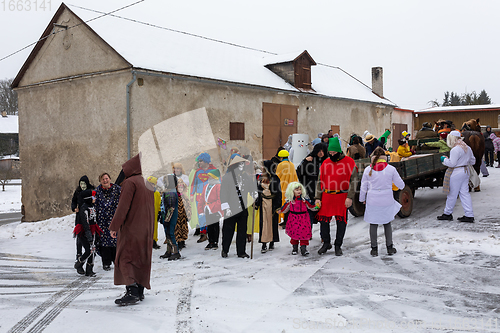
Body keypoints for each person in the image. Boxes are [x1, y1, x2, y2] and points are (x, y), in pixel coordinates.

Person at [110, 154, 154, 305]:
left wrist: (114, 226)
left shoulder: (130, 183)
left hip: (132, 228)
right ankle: (139, 290)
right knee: (141, 258)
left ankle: (132, 291)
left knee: (125, 257)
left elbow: (123, 208)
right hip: (146, 229)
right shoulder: (147, 182)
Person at [315, 137, 358, 256]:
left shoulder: (349, 162)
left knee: (341, 222)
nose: (332, 154)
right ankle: (326, 243)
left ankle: (338, 245)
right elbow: (320, 181)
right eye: (330, 152)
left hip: (342, 196)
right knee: (323, 221)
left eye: (334, 152)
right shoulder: (326, 162)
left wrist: (350, 197)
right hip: (327, 196)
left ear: (339, 151)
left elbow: (353, 181)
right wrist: (318, 197)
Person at [359, 147, 405, 256]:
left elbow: (363, 187)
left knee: (373, 224)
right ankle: (389, 247)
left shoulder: (368, 170)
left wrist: (362, 199)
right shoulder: (391, 169)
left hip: (372, 199)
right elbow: (401, 185)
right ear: (385, 157)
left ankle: (374, 249)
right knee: (387, 222)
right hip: (386, 199)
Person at [220, 156, 257, 258]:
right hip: (230, 208)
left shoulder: (247, 177)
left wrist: (254, 193)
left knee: (242, 231)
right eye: (239, 165)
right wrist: (226, 208)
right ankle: (225, 249)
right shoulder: (227, 178)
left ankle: (241, 251)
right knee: (228, 231)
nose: (242, 167)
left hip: (243, 208)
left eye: (243, 164)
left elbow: (251, 189)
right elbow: (223, 194)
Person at [437, 131, 476, 222]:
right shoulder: (467, 148)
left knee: (452, 194)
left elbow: (452, 164)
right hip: (465, 171)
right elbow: (473, 161)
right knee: (464, 193)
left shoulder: (455, 149)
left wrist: (444, 159)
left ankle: (447, 213)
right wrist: (464, 161)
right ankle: (469, 215)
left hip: (456, 172)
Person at [276, 182, 318, 256]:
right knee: (294, 234)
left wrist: (317, 207)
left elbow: (311, 206)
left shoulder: (305, 200)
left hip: (304, 218)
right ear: (291, 191)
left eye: (300, 189)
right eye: (296, 190)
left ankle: (303, 248)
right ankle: (295, 248)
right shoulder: (290, 201)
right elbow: (285, 208)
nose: (299, 191)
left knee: (304, 234)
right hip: (293, 219)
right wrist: (280, 210)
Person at [296, 143, 327, 229]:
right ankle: (308, 233)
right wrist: (306, 161)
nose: (321, 153)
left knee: (323, 216)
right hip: (310, 191)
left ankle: (324, 236)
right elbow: (300, 172)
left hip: (323, 192)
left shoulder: (326, 161)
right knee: (309, 214)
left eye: (323, 151)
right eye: (319, 151)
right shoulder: (310, 159)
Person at [95, 173, 121, 271]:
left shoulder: (117, 189)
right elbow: (95, 204)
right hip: (102, 220)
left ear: (110, 179)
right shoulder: (97, 191)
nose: (105, 181)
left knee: (115, 241)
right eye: (103, 179)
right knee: (104, 242)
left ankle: (116, 261)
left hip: (114, 219)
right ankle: (106, 263)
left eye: (106, 178)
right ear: (100, 181)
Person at [73, 189, 102, 276]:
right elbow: (85, 224)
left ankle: (89, 269)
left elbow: (95, 219)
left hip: (92, 230)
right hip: (84, 232)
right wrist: (89, 236)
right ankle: (79, 263)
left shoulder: (92, 207)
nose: (95, 198)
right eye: (93, 197)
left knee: (92, 250)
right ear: (88, 198)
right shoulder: (84, 209)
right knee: (88, 250)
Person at [190, 153, 218, 243]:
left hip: (211, 198)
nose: (199, 162)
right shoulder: (198, 171)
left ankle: (212, 234)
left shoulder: (214, 170)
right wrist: (191, 194)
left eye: (201, 161)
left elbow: (219, 183)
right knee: (201, 216)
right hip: (199, 197)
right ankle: (203, 234)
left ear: (206, 160)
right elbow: (194, 183)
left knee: (211, 215)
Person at [255, 170, 281, 253]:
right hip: (263, 204)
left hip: (272, 204)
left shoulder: (275, 179)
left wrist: (277, 206)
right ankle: (264, 243)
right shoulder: (262, 179)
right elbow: (258, 193)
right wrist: (256, 203)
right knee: (264, 224)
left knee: (272, 224)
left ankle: (272, 242)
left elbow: (278, 193)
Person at [71, 175, 95, 263]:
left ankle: (90, 253)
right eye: (81, 184)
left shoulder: (91, 191)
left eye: (84, 183)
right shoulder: (77, 192)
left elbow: (94, 199)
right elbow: (73, 201)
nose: (82, 186)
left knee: (90, 233)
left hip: (90, 215)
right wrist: (74, 208)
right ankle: (79, 253)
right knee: (80, 235)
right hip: (80, 216)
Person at [199, 169, 223, 250]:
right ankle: (210, 241)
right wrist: (201, 209)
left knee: (215, 226)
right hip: (207, 208)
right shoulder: (206, 186)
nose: (208, 177)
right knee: (209, 225)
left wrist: (214, 207)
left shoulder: (218, 186)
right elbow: (202, 198)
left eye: (210, 176)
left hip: (214, 209)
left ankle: (215, 241)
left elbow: (220, 199)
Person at [159, 175, 182, 260]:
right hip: (166, 216)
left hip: (170, 217)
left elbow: (171, 208)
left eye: (166, 181)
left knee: (170, 233)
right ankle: (169, 250)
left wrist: (167, 219)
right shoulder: (168, 191)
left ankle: (176, 251)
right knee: (167, 233)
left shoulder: (171, 193)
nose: (164, 183)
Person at [275, 149, 298, 226]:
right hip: (291, 187)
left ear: (281, 157)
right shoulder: (291, 164)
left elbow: (277, 176)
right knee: (288, 204)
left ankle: (281, 220)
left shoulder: (280, 165)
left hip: (282, 187)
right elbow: (295, 176)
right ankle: (287, 221)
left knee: (281, 204)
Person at [174, 178, 191, 249]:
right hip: (176, 217)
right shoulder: (175, 196)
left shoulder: (185, 196)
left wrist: (189, 215)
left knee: (184, 229)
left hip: (183, 216)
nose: (180, 189)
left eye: (181, 187)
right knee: (177, 229)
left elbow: (188, 206)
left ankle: (183, 241)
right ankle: (179, 242)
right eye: (179, 187)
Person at [146, 176, 162, 250]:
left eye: (152, 184)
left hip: (154, 213)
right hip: (146, 214)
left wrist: (159, 212)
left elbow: (159, 203)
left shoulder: (157, 193)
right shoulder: (144, 193)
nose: (151, 185)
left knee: (154, 227)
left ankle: (154, 241)